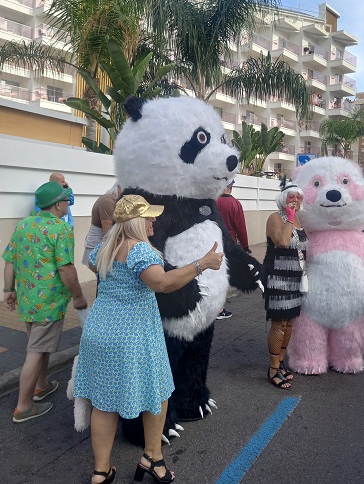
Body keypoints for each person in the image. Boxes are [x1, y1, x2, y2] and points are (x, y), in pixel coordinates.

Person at [73, 194, 223, 484]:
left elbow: (95, 266)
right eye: (148, 215)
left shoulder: (105, 247)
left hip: (100, 331)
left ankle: (101, 471)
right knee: (157, 393)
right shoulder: (140, 250)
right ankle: (153, 458)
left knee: (104, 404)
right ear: (135, 221)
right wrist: (202, 263)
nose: (154, 219)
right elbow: (162, 283)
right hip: (134, 335)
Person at [2, 181, 87, 423]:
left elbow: (10, 260)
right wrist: (78, 296)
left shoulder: (24, 224)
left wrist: (8, 290)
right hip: (49, 304)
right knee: (36, 350)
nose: (68, 204)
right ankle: (23, 406)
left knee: (38, 346)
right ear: (58, 204)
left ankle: (42, 385)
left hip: (27, 301)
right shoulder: (61, 229)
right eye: (66, 200)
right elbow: (66, 268)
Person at [263, 184, 307, 389]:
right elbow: (282, 241)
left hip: (295, 278)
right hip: (278, 278)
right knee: (279, 323)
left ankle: (280, 363)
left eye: (299, 197)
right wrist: (289, 217)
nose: (295, 200)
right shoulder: (275, 217)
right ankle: (273, 370)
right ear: (283, 198)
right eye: (291, 196)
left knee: (289, 322)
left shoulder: (298, 220)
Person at [216, 178, 250, 317]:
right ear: (231, 187)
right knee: (225, 276)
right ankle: (220, 309)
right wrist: (245, 246)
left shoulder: (214, 201)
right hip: (229, 244)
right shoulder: (235, 204)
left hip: (212, 242)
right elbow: (241, 227)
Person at [82, 183, 122, 267]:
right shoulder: (107, 202)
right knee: (102, 272)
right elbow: (107, 232)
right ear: (119, 189)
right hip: (98, 244)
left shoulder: (112, 200)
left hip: (102, 243)